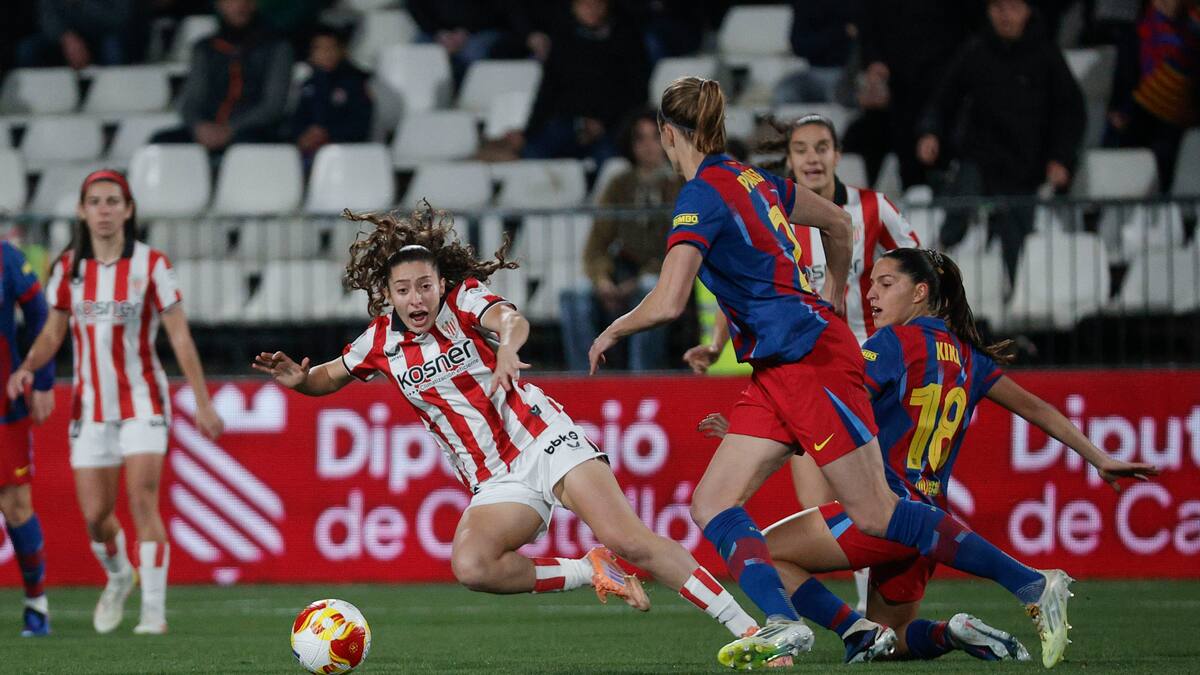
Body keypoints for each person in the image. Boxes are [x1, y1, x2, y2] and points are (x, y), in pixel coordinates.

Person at [589, 76, 1083, 669]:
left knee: (876, 513)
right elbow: (841, 225)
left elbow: (669, 302)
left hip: (809, 358)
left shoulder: (699, 195)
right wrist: (833, 287)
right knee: (712, 503)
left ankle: (1033, 583)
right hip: (779, 363)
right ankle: (787, 623)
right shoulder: (757, 180)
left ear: (670, 134)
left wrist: (614, 328)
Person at [251, 205, 762, 645]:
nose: (417, 300)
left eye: (424, 286)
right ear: (388, 294)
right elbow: (327, 379)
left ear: (441, 284)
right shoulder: (378, 343)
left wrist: (508, 351)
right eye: (403, 290)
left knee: (630, 538)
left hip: (542, 438)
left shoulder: (464, 301)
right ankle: (590, 569)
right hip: (495, 479)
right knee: (473, 565)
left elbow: (512, 321)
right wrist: (300, 379)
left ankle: (749, 631)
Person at [696, 248, 1159, 666]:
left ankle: (861, 625)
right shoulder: (968, 357)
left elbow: (832, 407)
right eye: (871, 283)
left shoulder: (890, 345)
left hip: (887, 511)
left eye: (885, 284)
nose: (872, 294)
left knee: (768, 554)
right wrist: (1097, 456)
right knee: (892, 641)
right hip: (934, 520)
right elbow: (1036, 409)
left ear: (921, 293)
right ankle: (952, 632)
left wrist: (762, 434)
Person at [689, 112, 920, 614]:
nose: (812, 158)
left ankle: (877, 611)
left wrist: (913, 340)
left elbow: (924, 274)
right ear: (789, 158)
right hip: (805, 369)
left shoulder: (872, 208)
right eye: (802, 150)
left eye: (822, 147)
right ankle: (862, 623)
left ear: (837, 154)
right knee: (821, 510)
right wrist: (714, 343)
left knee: (875, 502)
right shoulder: (769, 205)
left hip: (865, 368)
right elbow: (756, 287)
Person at [6, 169, 225, 635]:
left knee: (143, 500)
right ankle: (119, 574)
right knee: (96, 517)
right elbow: (52, 332)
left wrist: (203, 402)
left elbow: (180, 336)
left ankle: (153, 614)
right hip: (90, 408)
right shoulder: (69, 268)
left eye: (112, 201)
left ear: (128, 210)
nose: (104, 210)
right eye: (95, 202)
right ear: (83, 211)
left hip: (143, 401)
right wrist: (27, 367)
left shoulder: (152, 264)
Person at [917, 0, 1086, 283]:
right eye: (998, 8)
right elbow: (943, 100)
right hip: (980, 159)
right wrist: (930, 132)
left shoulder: (1046, 55)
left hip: (1025, 167)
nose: (1005, 16)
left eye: (1013, 8)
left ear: (1028, 10)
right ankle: (932, 285)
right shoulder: (975, 51)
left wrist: (1062, 158)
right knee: (956, 218)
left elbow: (1070, 113)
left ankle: (1014, 300)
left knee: (1016, 240)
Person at [559, 110, 682, 372]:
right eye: (640, 138)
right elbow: (596, 244)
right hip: (621, 270)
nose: (648, 146)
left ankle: (641, 378)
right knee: (573, 295)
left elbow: (681, 248)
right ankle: (586, 377)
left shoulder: (681, 185)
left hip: (665, 275)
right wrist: (602, 280)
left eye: (654, 137)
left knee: (649, 289)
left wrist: (639, 279)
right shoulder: (619, 184)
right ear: (631, 144)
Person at [0, 240, 56, 637]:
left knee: (16, 504)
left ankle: (36, 603)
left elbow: (41, 315)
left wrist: (42, 379)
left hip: (4, 403)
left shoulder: (6, 257)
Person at [151, 0, 293, 152]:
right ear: (219, 5)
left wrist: (231, 129)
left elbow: (273, 105)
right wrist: (199, 126)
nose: (239, 5)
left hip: (252, 131)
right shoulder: (205, 48)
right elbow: (191, 99)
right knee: (162, 143)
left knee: (251, 144)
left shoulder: (277, 47)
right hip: (206, 130)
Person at [522, 0, 650, 165]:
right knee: (533, 151)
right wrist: (528, 133)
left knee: (611, 162)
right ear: (574, 8)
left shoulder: (628, 40)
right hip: (568, 124)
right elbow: (548, 93)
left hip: (613, 125)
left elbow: (636, 93)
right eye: (585, 5)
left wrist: (603, 122)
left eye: (597, 4)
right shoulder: (563, 41)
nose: (591, 9)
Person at [1106, 0, 1200, 194]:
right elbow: (1125, 77)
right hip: (1141, 117)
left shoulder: (1192, 32)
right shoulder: (1139, 32)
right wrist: (1119, 108)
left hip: (1184, 117)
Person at [291, 25, 372, 165]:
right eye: (320, 48)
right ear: (311, 55)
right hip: (311, 150)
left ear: (341, 50)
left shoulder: (355, 83)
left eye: (331, 47)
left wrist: (328, 133)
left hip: (346, 152)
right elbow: (297, 119)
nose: (326, 53)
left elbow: (360, 125)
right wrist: (303, 135)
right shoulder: (307, 86)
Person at [16, 0, 136, 69]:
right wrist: (65, 37)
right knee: (28, 49)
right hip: (63, 39)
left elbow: (120, 19)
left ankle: (115, 96)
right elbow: (45, 17)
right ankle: (35, 101)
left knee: (112, 48)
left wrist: (82, 3)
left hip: (103, 36)